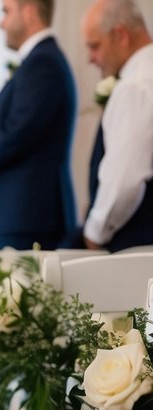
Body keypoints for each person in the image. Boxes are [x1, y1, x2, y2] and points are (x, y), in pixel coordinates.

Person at [0, 0, 76, 250]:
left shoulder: (43, 63)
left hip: (30, 215)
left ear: (29, 11)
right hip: (24, 214)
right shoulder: (40, 60)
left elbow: (21, 131)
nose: (1, 23)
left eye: (6, 11)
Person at [81, 0, 153, 250]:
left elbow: (125, 180)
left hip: (138, 244)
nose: (91, 58)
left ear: (120, 35)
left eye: (95, 46)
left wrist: (94, 233)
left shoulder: (136, 86)